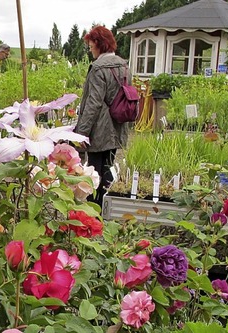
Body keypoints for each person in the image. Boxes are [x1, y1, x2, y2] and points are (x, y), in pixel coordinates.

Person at [74, 25, 132, 209]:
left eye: (91, 46)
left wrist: (82, 132)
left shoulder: (98, 68)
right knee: (108, 166)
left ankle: (93, 210)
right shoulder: (123, 65)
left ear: (99, 43)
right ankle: (104, 206)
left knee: (94, 171)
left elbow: (94, 103)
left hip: (99, 128)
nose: (90, 49)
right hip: (118, 124)